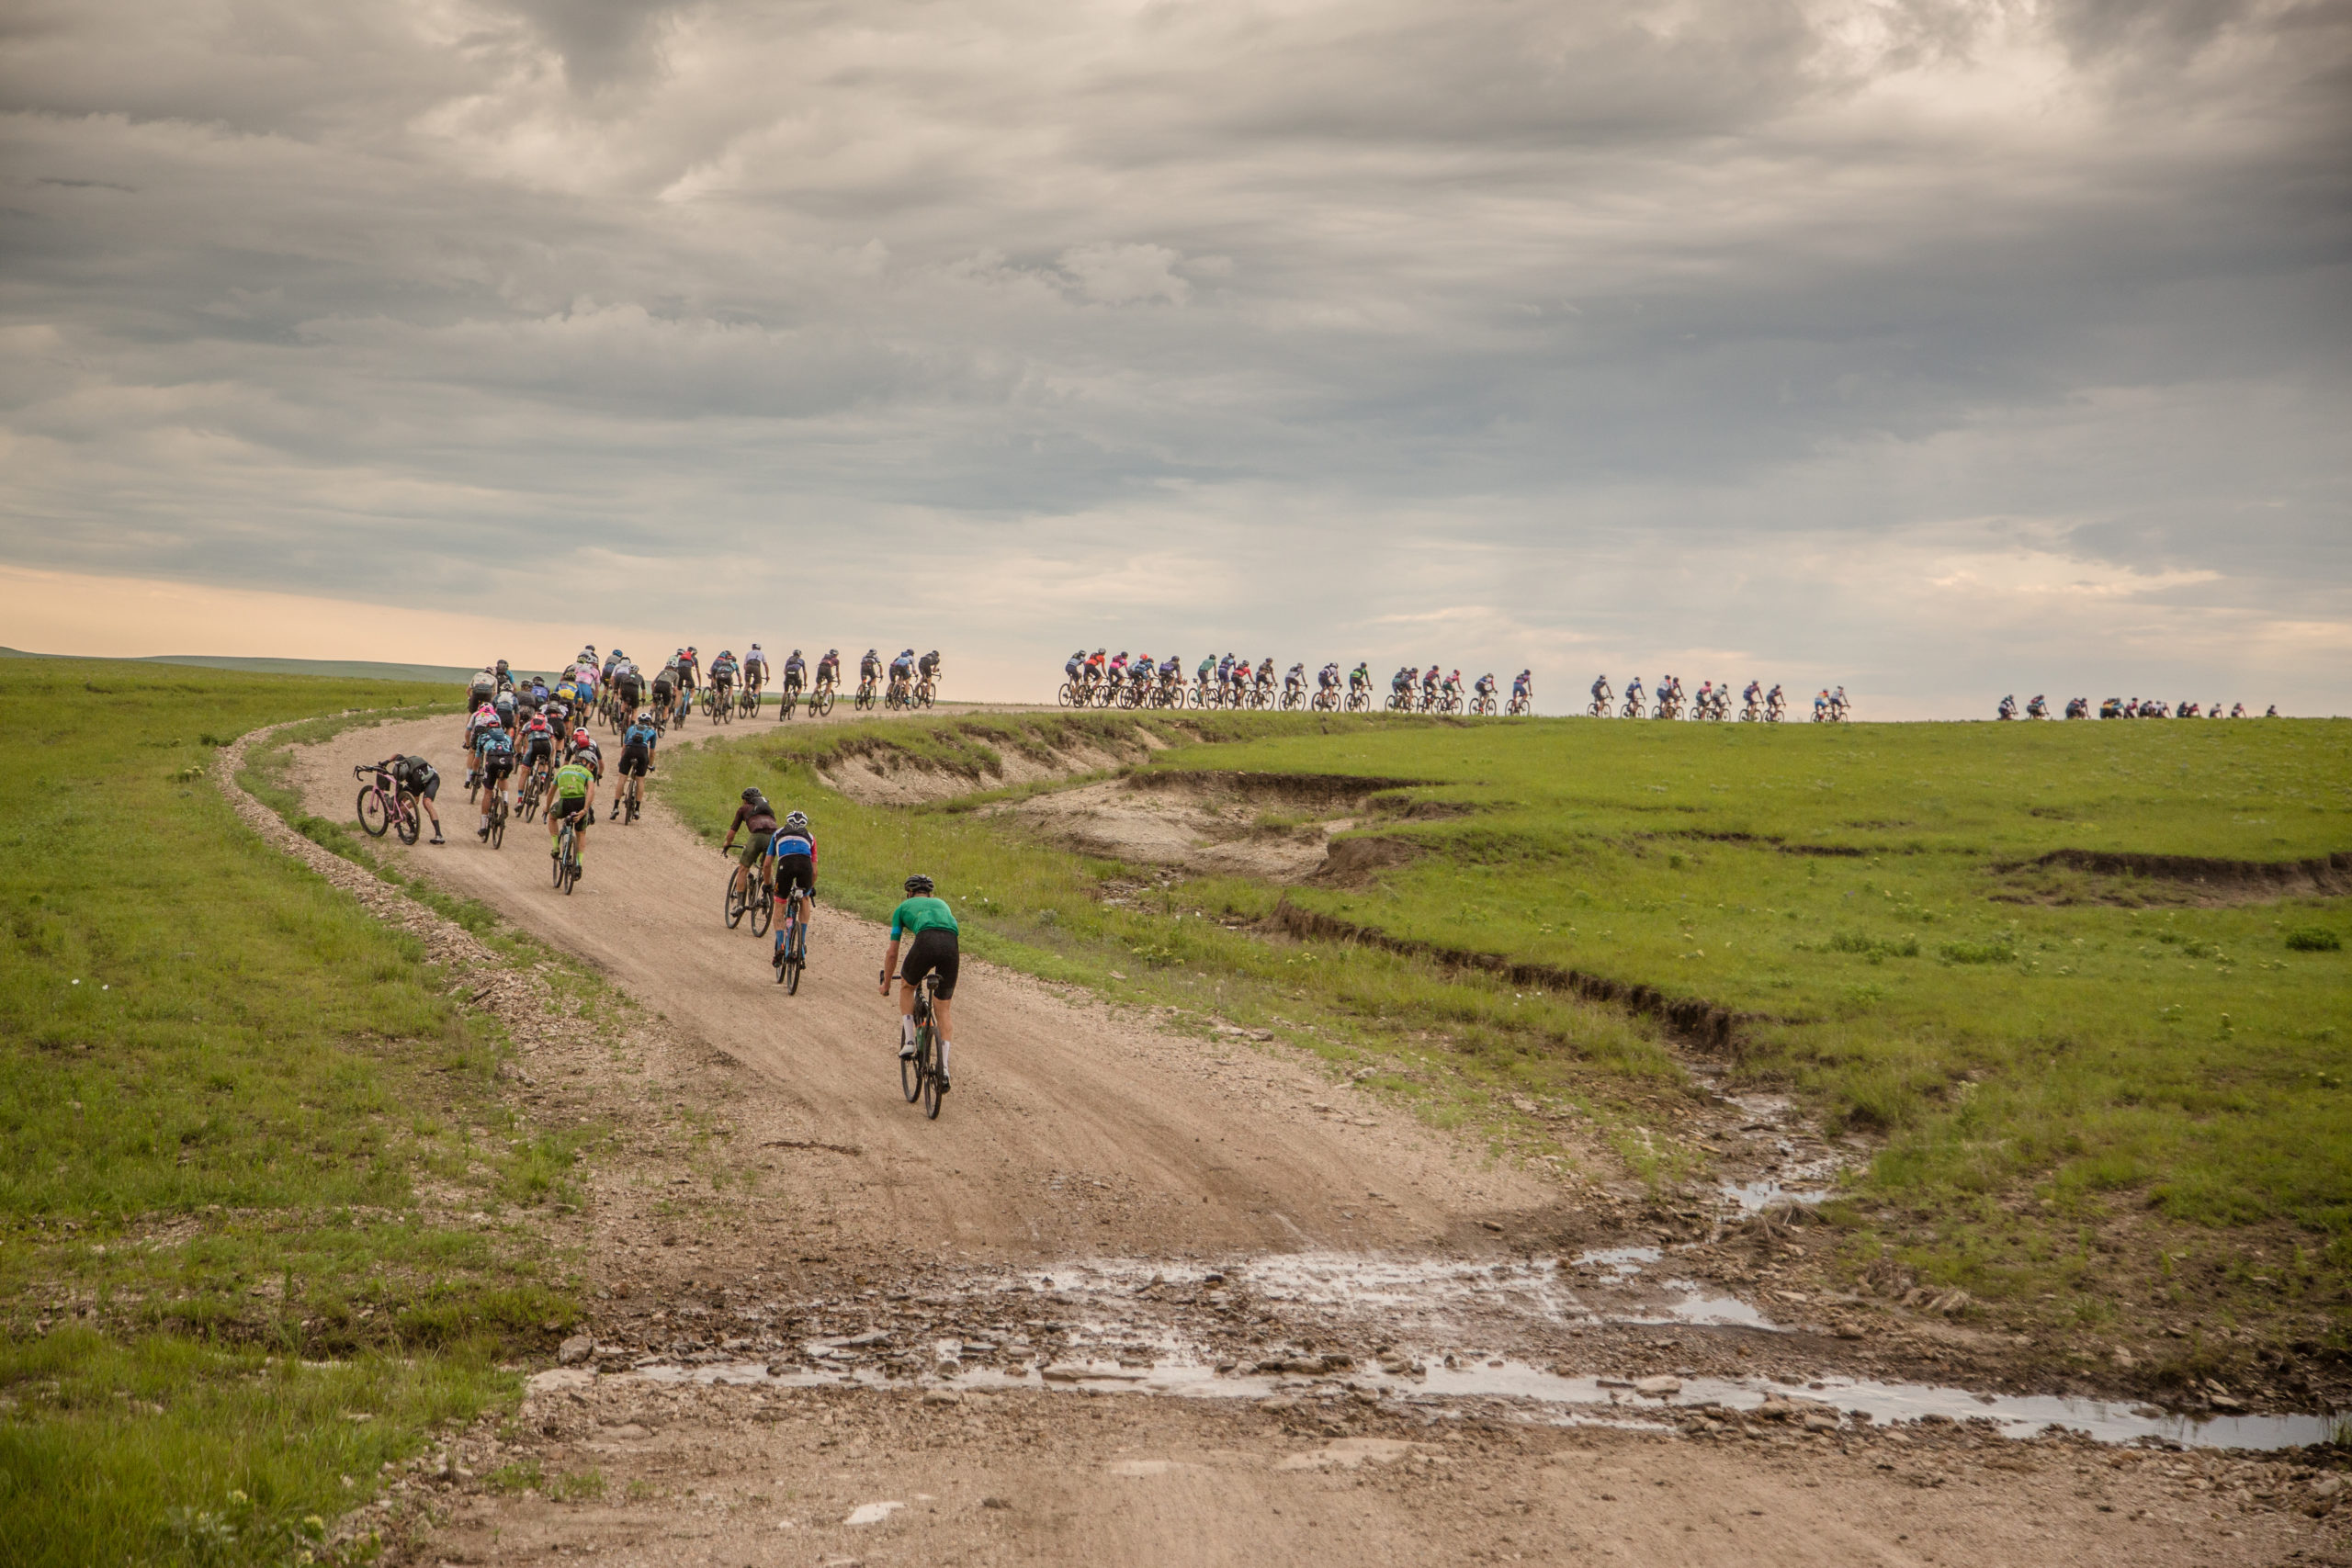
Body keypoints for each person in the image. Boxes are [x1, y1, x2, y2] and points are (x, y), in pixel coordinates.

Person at [878, 874, 958, 1091]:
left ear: (909, 894)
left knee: (907, 985)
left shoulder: (903, 908)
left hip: (926, 941)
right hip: (951, 945)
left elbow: (892, 952)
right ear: (931, 894)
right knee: (943, 1010)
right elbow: (950, 929)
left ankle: (910, 1041)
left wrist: (886, 984)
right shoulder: (942, 904)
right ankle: (944, 1069)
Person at [766, 810, 819, 968]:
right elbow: (814, 871)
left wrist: (768, 884)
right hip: (805, 866)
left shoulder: (777, 834)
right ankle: (801, 945)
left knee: (780, 904)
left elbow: (767, 864)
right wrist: (810, 887)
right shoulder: (810, 837)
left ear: (787, 822)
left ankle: (781, 946)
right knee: (804, 898)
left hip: (785, 866)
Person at [722, 786, 777, 906]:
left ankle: (740, 905)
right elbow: (768, 827)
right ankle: (768, 896)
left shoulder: (743, 808)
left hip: (756, 837)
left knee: (743, 868)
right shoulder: (768, 809)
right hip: (774, 837)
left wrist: (727, 844)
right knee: (767, 866)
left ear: (746, 800)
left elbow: (732, 833)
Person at [380, 752, 447, 844]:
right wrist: (387, 761)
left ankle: (438, 835)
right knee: (400, 800)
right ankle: (412, 830)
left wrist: (403, 809)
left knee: (427, 803)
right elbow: (396, 755)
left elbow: (415, 800)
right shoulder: (403, 762)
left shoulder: (415, 779)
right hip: (420, 777)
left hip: (432, 779)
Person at [546, 753, 596, 872]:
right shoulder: (587, 774)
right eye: (592, 766)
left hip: (565, 803)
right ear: (584, 761)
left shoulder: (562, 769)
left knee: (552, 817)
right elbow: (591, 792)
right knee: (581, 833)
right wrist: (585, 809)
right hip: (580, 803)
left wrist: (546, 808)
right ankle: (578, 864)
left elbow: (551, 792)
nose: (592, 768)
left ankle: (555, 847)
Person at [614, 710, 659, 818]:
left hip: (629, 750)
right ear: (649, 723)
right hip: (642, 752)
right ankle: (637, 809)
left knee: (622, 779)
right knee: (640, 780)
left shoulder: (631, 728)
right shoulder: (652, 732)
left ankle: (615, 807)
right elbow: (652, 753)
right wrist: (650, 765)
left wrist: (622, 761)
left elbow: (624, 748)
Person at [474, 724, 514, 839]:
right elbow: (513, 754)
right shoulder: (507, 737)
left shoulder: (483, 737)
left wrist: (473, 773)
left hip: (492, 762)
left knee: (488, 792)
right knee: (503, 777)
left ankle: (483, 826)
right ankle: (505, 801)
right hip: (507, 761)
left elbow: (477, 758)